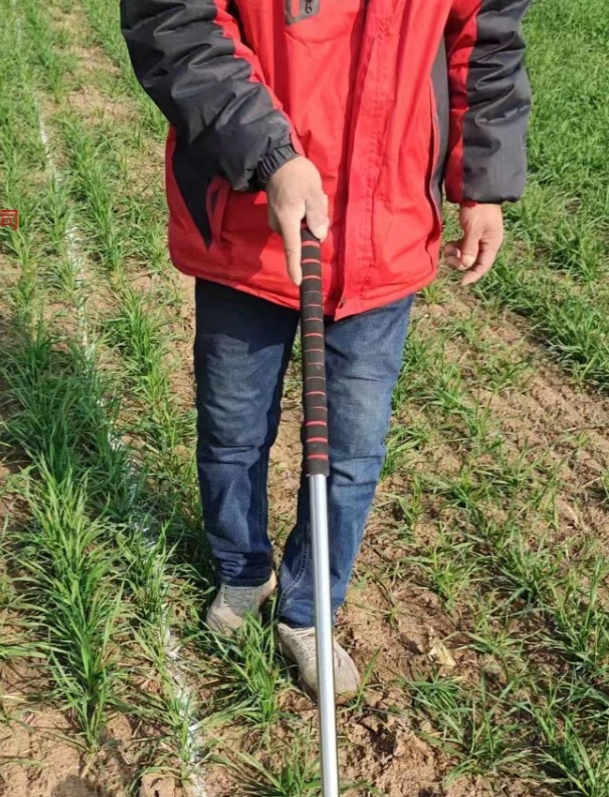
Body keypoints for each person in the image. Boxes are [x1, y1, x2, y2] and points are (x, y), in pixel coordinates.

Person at [120, 0, 532, 700]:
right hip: (250, 223)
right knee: (232, 430)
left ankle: (308, 611)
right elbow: (174, 23)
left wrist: (483, 185)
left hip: (386, 237)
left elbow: (486, 44)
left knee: (351, 453)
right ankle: (242, 570)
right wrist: (270, 154)